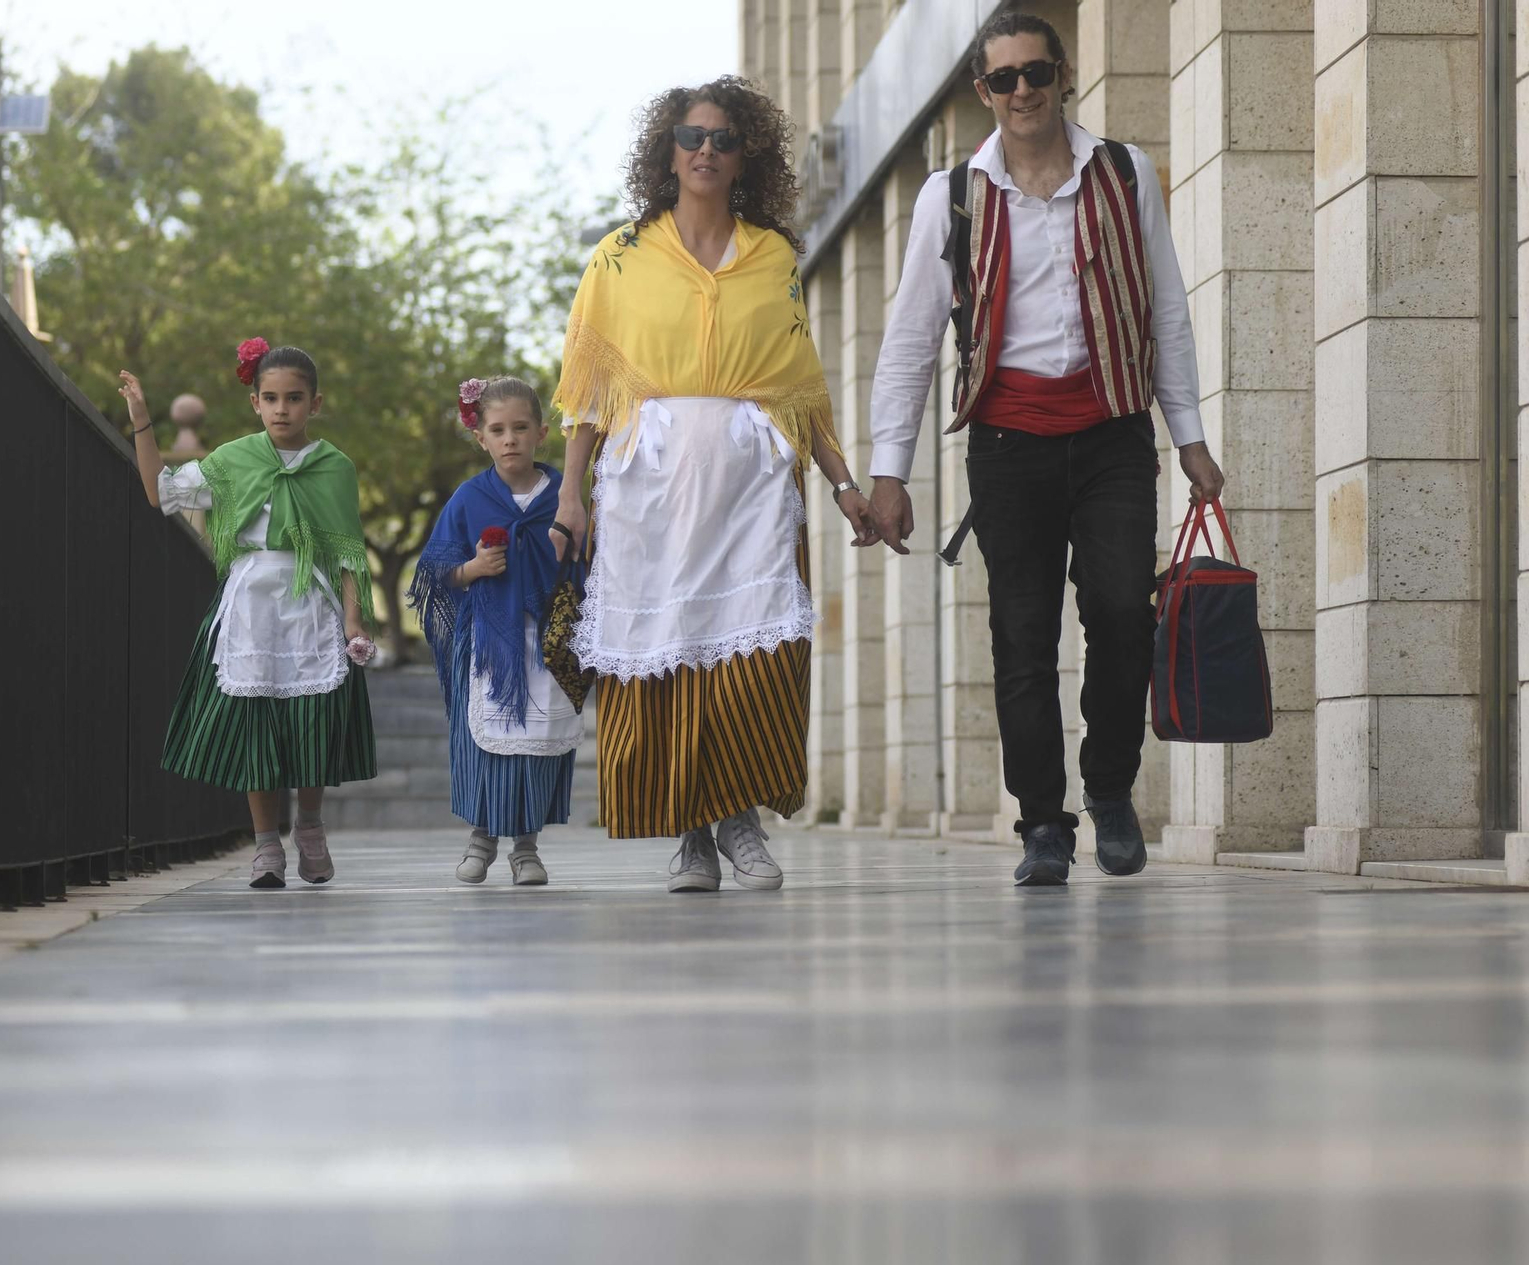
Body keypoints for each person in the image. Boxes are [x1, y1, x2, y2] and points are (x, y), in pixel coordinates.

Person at [863, 11, 1225, 887]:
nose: (1021, 91)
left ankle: (1108, 791)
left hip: (1111, 432)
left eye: (1035, 73)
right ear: (982, 92)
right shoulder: (950, 194)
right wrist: (887, 470)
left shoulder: (1125, 172)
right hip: (1007, 442)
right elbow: (911, 337)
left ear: (1063, 75)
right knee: (1021, 640)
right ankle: (1041, 824)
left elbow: (1164, 310)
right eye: (1002, 80)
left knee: (1121, 614)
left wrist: (1191, 438)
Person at [550, 76, 873, 893]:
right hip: (648, 490)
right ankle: (692, 835)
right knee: (665, 654)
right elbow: (587, 385)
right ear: (667, 151)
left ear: (744, 157)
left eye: (722, 139)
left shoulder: (775, 257)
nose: (705, 150)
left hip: (752, 488)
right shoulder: (619, 257)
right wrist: (570, 494)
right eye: (690, 136)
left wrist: (842, 485)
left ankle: (743, 821)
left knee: (757, 657)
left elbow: (802, 387)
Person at [118, 339, 377, 889]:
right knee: (257, 726)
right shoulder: (231, 461)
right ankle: (265, 848)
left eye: (295, 398)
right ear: (254, 403)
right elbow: (157, 493)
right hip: (251, 606)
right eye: (271, 398)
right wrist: (142, 423)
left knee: (313, 722)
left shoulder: (336, 467)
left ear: (316, 403)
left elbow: (349, 553)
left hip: (311, 603)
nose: (283, 408)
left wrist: (354, 621)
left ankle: (308, 825)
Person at [409, 377, 581, 886]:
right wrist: (474, 568)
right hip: (489, 640)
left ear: (541, 433)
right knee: (484, 744)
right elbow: (435, 572)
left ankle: (527, 848)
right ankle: (481, 837)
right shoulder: (469, 498)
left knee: (540, 742)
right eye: (498, 429)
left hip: (549, 640)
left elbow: (588, 563)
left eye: (521, 428)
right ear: (480, 437)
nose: (510, 439)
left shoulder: (563, 498)